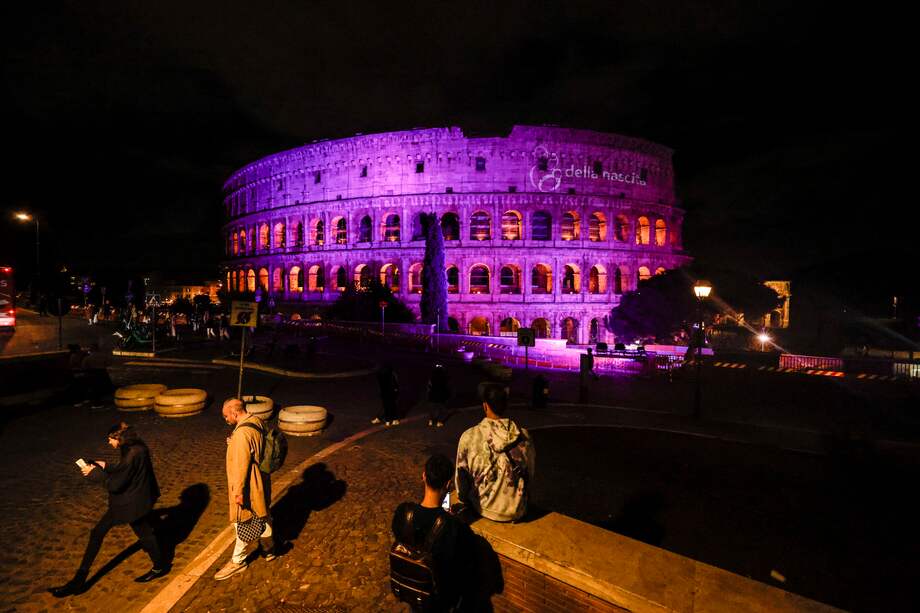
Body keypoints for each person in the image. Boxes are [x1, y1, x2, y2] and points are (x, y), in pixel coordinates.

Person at [50, 423, 165, 597]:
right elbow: (126, 470)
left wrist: (94, 473)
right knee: (141, 532)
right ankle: (160, 566)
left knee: (111, 533)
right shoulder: (135, 447)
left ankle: (79, 582)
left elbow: (115, 484)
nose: (108, 441)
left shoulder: (132, 452)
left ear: (119, 438)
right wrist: (105, 465)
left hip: (129, 502)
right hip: (136, 500)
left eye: (110, 438)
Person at [391, 454, 473, 611]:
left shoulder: (403, 513)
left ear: (423, 476)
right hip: (438, 598)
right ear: (448, 484)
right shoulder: (452, 526)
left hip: (412, 588)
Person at [213, 398, 276, 580]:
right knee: (263, 514)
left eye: (226, 416)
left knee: (243, 521)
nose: (225, 419)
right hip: (261, 480)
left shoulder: (241, 435)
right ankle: (269, 548)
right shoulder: (256, 421)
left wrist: (238, 492)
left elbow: (241, 465)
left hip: (249, 484)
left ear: (235, 413)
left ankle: (238, 561)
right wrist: (234, 444)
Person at [455, 383, 535, 522]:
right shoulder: (524, 436)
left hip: (483, 508)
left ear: (485, 406)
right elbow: (530, 473)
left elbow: (461, 480)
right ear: (505, 405)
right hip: (517, 510)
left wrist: (463, 498)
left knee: (448, 499)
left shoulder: (469, 437)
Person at [427, 363, 451, 427]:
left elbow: (429, 386)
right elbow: (447, 387)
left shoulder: (432, 377)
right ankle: (439, 422)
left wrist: (429, 394)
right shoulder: (444, 377)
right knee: (441, 409)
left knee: (432, 408)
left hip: (432, 395)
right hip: (441, 396)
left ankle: (431, 421)